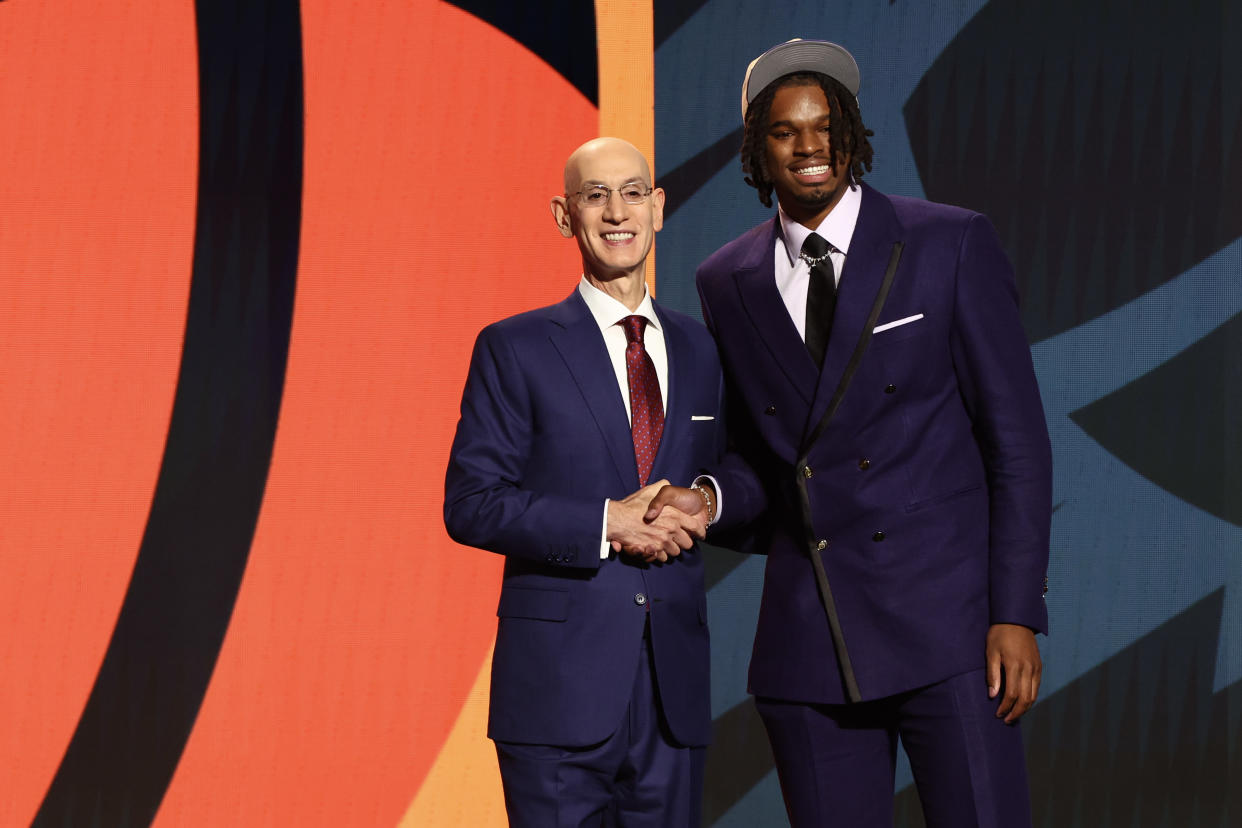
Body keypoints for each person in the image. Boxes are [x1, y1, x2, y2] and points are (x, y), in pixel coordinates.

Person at [647, 40, 1052, 827]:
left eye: (827, 125)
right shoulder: (725, 281)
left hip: (955, 634)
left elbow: (1019, 446)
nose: (810, 147)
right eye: (786, 131)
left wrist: (1016, 612)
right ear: (756, 150)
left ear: (854, 134)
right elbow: (771, 460)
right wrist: (704, 497)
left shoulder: (948, 242)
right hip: (812, 645)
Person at [444, 137, 724, 827]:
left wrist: (710, 500)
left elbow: (742, 471)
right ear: (564, 216)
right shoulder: (514, 347)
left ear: (658, 208)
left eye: (632, 192)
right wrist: (607, 522)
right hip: (556, 695)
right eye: (594, 194)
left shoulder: (703, 347)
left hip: (672, 695)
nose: (616, 211)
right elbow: (472, 503)